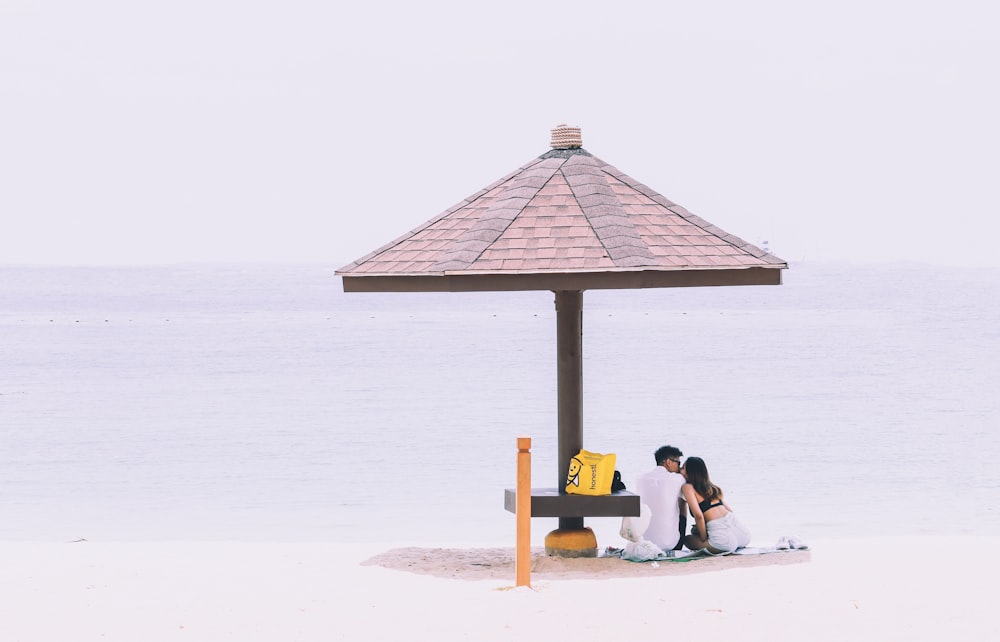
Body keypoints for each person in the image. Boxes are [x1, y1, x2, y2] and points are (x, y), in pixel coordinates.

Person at [680, 457, 751, 553]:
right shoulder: (713, 487)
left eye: (683, 467)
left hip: (724, 541)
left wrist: (703, 539)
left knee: (687, 539)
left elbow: (698, 515)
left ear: (690, 472)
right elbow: (729, 511)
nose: (680, 469)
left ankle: (708, 540)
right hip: (743, 534)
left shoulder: (687, 487)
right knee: (696, 530)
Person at [634, 445, 686, 552]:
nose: (679, 468)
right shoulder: (677, 479)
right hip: (670, 545)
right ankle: (678, 546)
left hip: (644, 543)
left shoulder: (640, 478)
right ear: (668, 462)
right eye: (678, 463)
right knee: (682, 501)